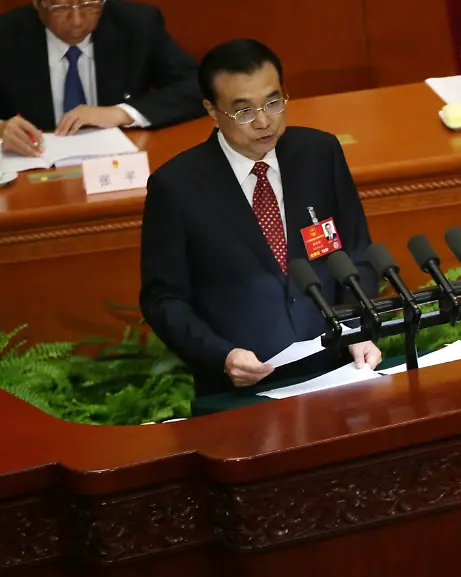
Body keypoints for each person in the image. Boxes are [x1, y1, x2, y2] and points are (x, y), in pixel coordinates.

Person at [139, 39, 381, 397]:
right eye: (244, 111)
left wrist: (358, 327)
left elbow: (356, 252)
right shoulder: (176, 187)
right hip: (243, 387)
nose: (264, 121)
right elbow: (164, 299)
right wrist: (222, 356)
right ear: (212, 110)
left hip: (339, 370)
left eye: (273, 102)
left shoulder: (319, 153)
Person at [0, 0, 205, 158]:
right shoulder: (6, 35)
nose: (77, 20)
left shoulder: (138, 25)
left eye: (89, 5)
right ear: (38, 4)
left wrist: (122, 113)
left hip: (117, 167)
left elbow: (198, 85)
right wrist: (2, 129)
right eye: (61, 8)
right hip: (33, 170)